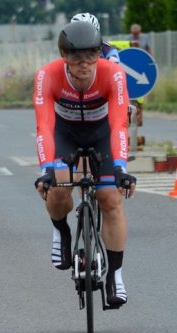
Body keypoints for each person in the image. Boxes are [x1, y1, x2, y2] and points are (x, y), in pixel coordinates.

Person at [34, 21, 136, 307]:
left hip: (102, 134)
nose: (84, 63)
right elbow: (44, 126)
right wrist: (46, 169)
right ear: (64, 56)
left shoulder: (113, 73)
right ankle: (62, 231)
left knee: (110, 199)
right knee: (57, 191)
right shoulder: (47, 75)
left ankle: (115, 275)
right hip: (64, 135)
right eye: (76, 56)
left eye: (91, 55)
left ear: (99, 54)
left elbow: (119, 124)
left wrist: (121, 167)